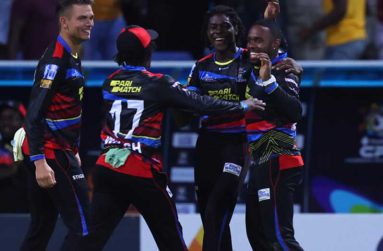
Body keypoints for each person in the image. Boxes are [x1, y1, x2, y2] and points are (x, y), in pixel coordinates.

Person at [81, 25, 265, 251]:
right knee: (171, 241)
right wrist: (240, 105)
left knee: (92, 239)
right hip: (141, 171)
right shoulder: (159, 83)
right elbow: (199, 103)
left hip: (107, 168)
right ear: (147, 52)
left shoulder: (109, 81)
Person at [20, 0, 94, 250]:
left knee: (40, 229)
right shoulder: (55, 59)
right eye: (82, 18)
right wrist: (40, 161)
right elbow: (34, 113)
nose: (90, 23)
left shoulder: (72, 52)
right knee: (84, 228)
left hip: (57, 152)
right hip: (50, 155)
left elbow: (64, 109)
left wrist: (74, 150)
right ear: (64, 22)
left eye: (91, 17)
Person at [186, 5, 260, 251]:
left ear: (236, 29)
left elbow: (260, 99)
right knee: (210, 215)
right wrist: (238, 105)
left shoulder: (250, 61)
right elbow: (194, 104)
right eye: (213, 27)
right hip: (207, 144)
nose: (218, 32)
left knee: (218, 208)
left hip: (237, 145)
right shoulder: (201, 66)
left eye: (225, 26)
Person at [245, 19, 304, 250]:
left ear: (275, 44)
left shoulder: (282, 70)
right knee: (259, 237)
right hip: (261, 160)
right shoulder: (251, 66)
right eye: (250, 40)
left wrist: (269, 81)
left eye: (258, 41)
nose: (252, 45)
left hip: (278, 155)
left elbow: (294, 111)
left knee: (279, 238)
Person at [299, 0, 367, 60]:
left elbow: (340, 10)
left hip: (343, 40)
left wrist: (310, 30)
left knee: (329, 74)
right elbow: (367, 8)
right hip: (359, 38)